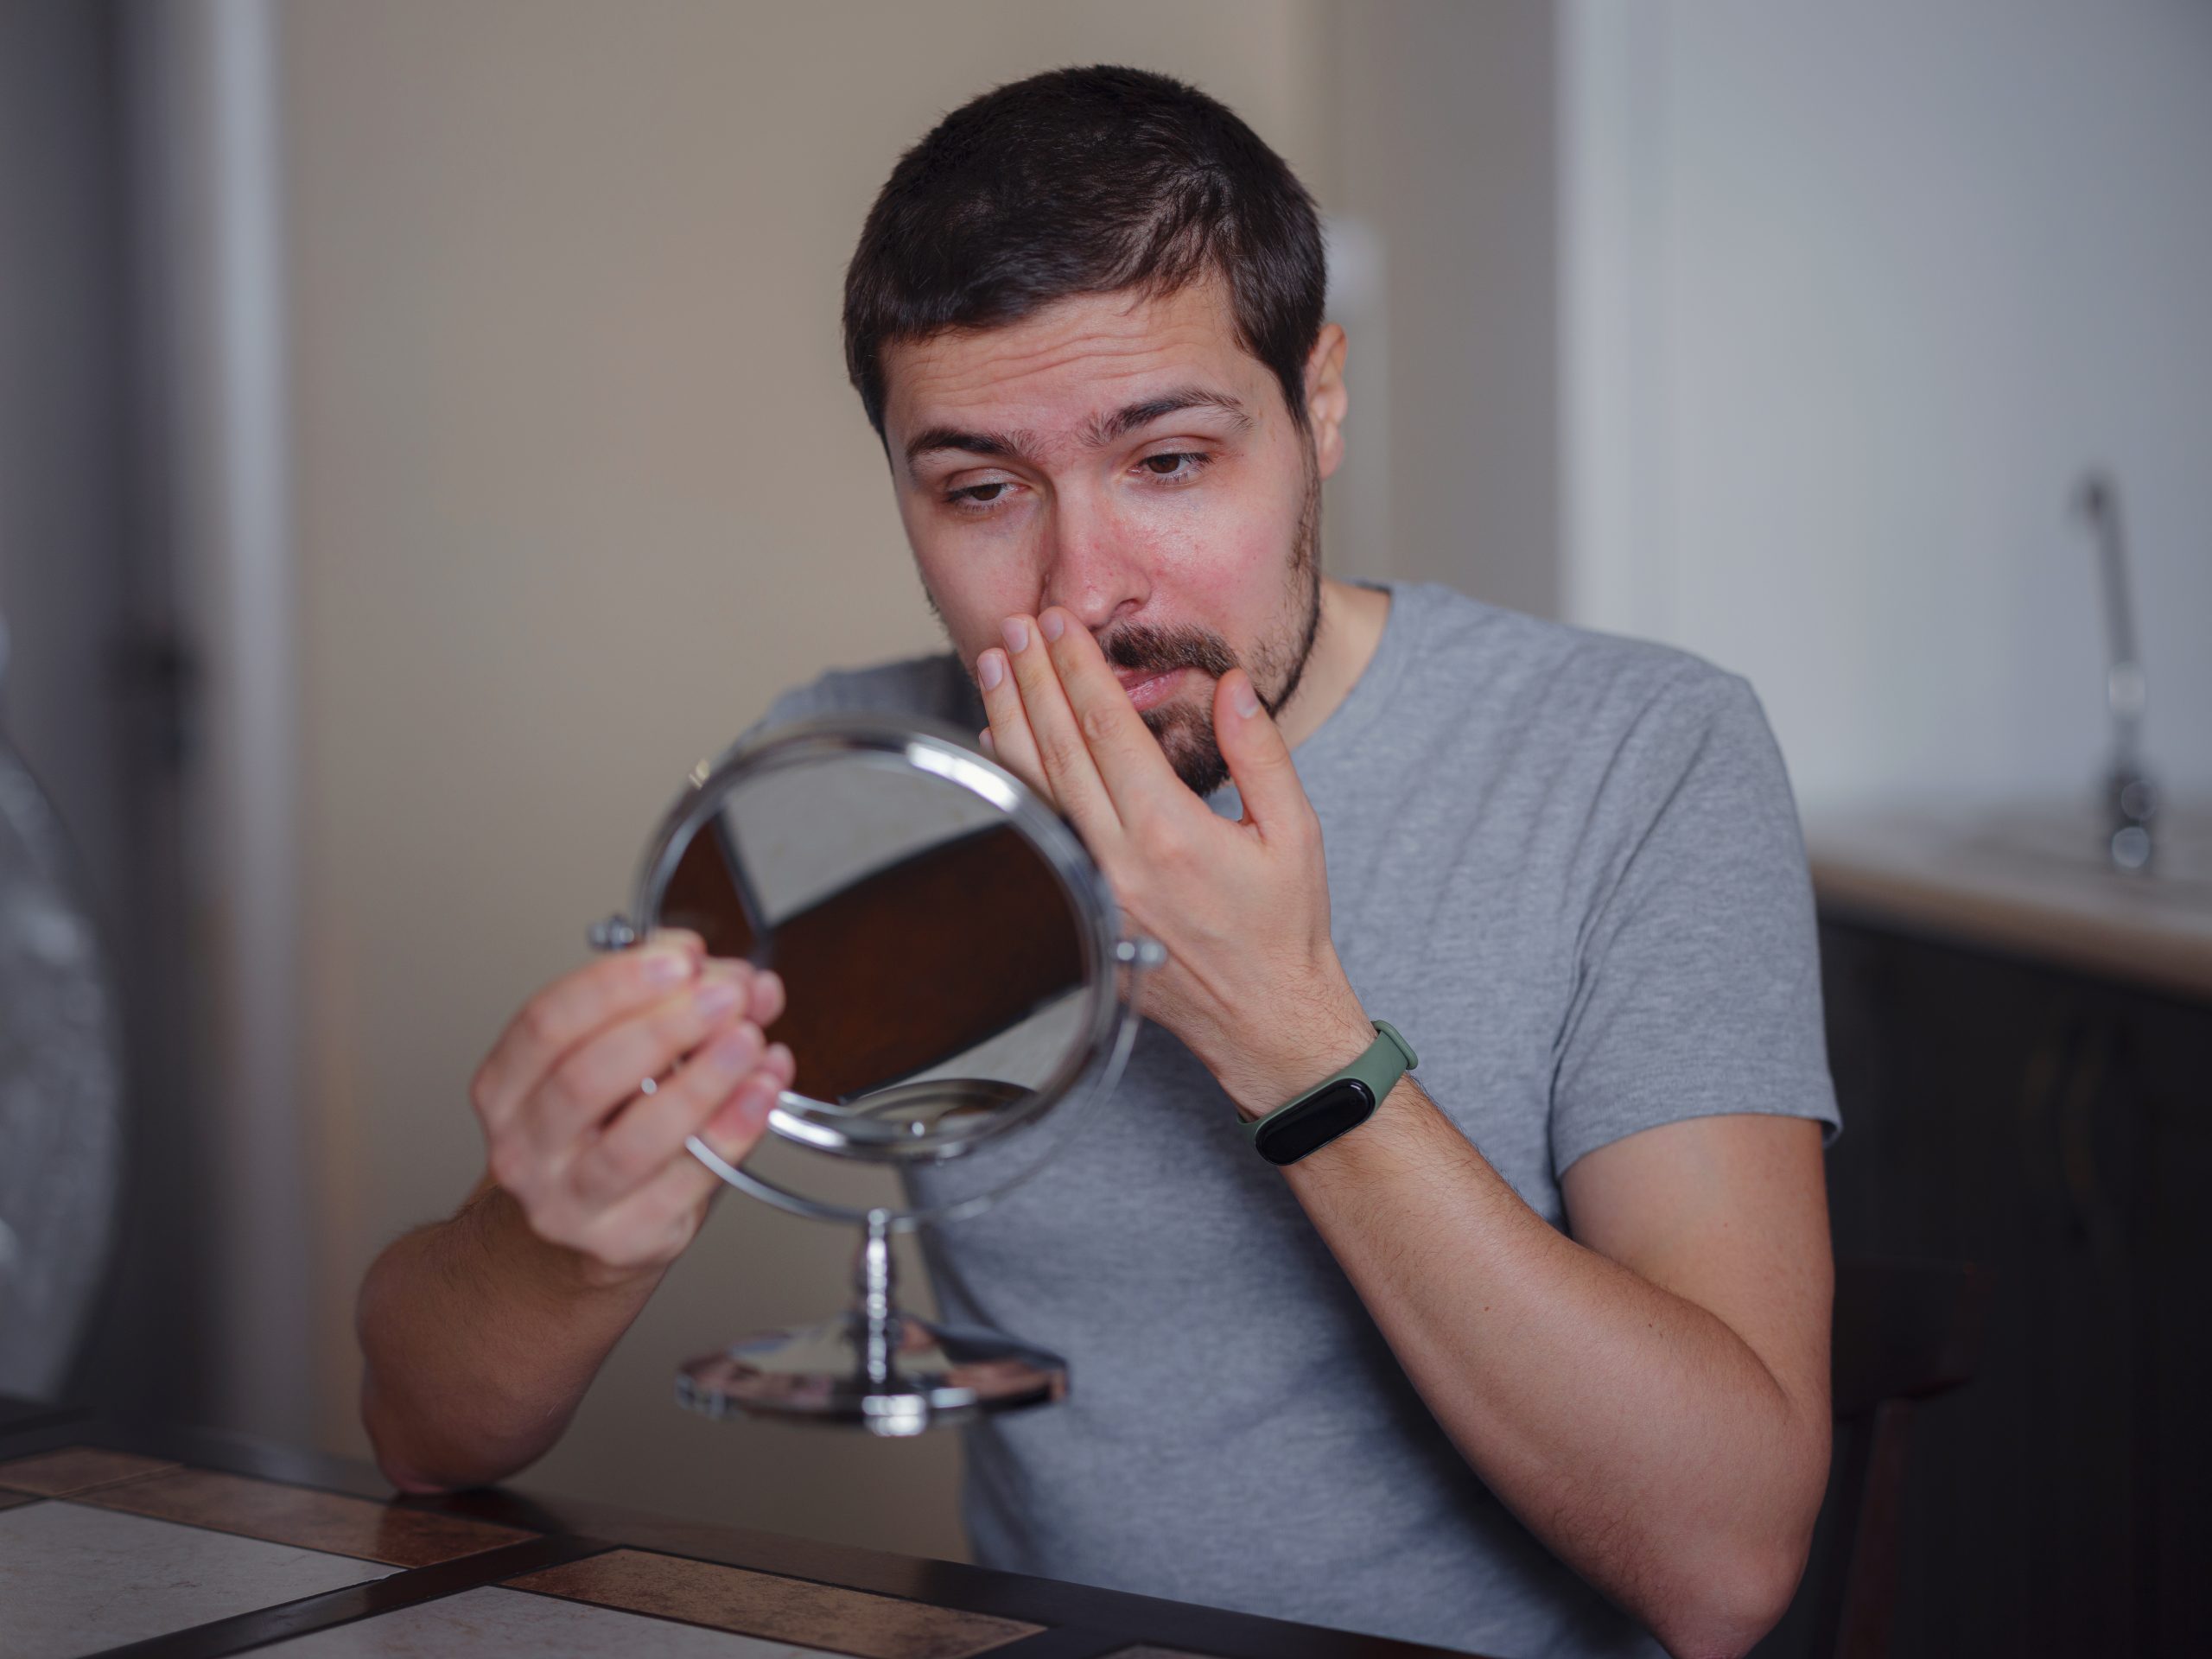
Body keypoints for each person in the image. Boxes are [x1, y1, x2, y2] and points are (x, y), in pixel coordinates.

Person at [358, 66, 1839, 1659]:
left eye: (1170, 461)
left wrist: (1287, 1032)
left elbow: (1725, 1564)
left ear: (1319, 403)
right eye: (984, 491)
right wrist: (557, 1238)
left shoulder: (1635, 755)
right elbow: (423, 1432)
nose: (1084, 592)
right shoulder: (866, 785)